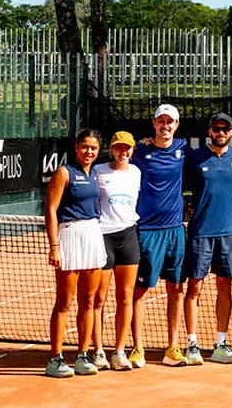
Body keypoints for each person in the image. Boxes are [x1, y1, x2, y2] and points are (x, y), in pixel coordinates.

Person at [181, 113, 232, 365]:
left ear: (231, 132)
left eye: (226, 129)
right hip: (200, 233)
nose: (221, 133)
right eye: (217, 129)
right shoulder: (195, 156)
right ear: (210, 131)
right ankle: (192, 344)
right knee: (194, 287)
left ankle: (221, 343)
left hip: (229, 233)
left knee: (225, 287)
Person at [44, 128, 107, 378]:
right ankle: (55, 359)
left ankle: (82, 355)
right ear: (76, 147)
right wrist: (54, 245)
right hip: (69, 235)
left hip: (93, 234)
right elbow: (50, 209)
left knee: (89, 301)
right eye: (84, 146)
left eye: (93, 148)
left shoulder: (96, 174)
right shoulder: (64, 172)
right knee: (64, 302)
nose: (88, 151)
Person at [131, 104, 189, 368]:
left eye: (170, 122)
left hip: (176, 230)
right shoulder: (139, 150)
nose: (165, 125)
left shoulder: (183, 148)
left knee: (176, 289)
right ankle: (137, 348)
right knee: (141, 290)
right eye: (161, 121)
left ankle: (172, 347)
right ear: (153, 123)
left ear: (176, 125)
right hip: (147, 231)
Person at [91, 132, 142, 371]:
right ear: (111, 150)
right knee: (98, 298)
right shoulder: (98, 171)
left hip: (128, 237)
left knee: (125, 296)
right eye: (118, 148)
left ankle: (119, 351)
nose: (123, 152)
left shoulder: (136, 172)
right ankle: (98, 350)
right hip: (102, 237)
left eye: (127, 148)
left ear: (132, 150)